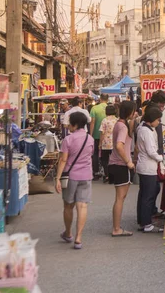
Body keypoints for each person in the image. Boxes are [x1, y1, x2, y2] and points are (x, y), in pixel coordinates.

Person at [55, 112, 94, 250]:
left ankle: (68, 233)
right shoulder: (90, 139)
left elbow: (63, 160)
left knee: (68, 206)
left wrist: (57, 178)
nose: (68, 125)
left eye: (69, 122)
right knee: (82, 206)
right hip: (86, 175)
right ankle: (78, 238)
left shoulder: (68, 140)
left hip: (70, 177)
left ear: (75, 124)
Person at [108, 101, 137, 237]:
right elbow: (119, 146)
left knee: (121, 197)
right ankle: (116, 228)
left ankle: (117, 227)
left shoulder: (120, 124)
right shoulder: (123, 127)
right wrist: (128, 162)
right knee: (120, 198)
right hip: (120, 164)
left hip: (116, 163)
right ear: (130, 112)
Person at [135, 106, 165, 233]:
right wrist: (161, 158)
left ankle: (143, 220)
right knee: (148, 195)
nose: (158, 122)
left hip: (145, 165)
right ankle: (146, 223)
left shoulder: (143, 128)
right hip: (148, 166)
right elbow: (151, 151)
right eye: (158, 120)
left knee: (145, 194)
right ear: (152, 119)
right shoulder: (146, 131)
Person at [90, 93, 109, 180]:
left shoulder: (94, 108)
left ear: (100, 99)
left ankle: (96, 172)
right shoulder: (110, 108)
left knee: (95, 154)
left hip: (96, 135)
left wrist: (91, 134)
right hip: (108, 136)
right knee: (107, 155)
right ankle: (107, 173)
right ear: (107, 99)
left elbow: (92, 122)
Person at [99, 105, 119, 183]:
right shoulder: (117, 120)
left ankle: (107, 175)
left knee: (105, 160)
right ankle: (113, 176)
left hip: (105, 143)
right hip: (114, 143)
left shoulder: (104, 120)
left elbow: (102, 133)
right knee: (114, 160)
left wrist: (100, 143)